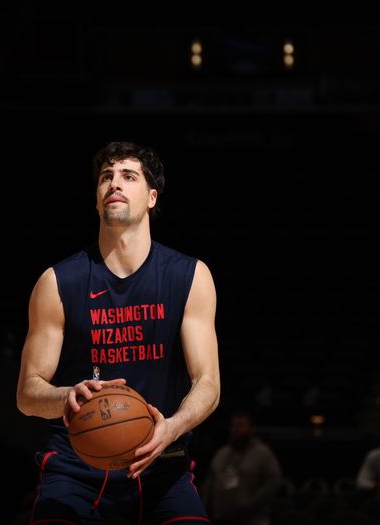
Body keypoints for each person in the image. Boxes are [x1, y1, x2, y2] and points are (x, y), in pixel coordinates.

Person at [16, 140, 221, 523]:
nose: (114, 183)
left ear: (151, 198)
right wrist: (65, 396)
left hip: (161, 465)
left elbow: (208, 383)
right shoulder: (58, 281)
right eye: (106, 177)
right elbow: (27, 393)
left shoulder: (190, 276)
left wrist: (172, 427)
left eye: (128, 176)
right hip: (76, 470)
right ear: (96, 200)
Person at [202, 410, 282, 525]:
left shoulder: (262, 453)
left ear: (251, 429)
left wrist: (252, 504)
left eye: (241, 425)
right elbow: (210, 482)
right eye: (234, 425)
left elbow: (274, 481)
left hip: (252, 519)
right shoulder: (222, 453)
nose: (236, 429)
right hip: (221, 518)